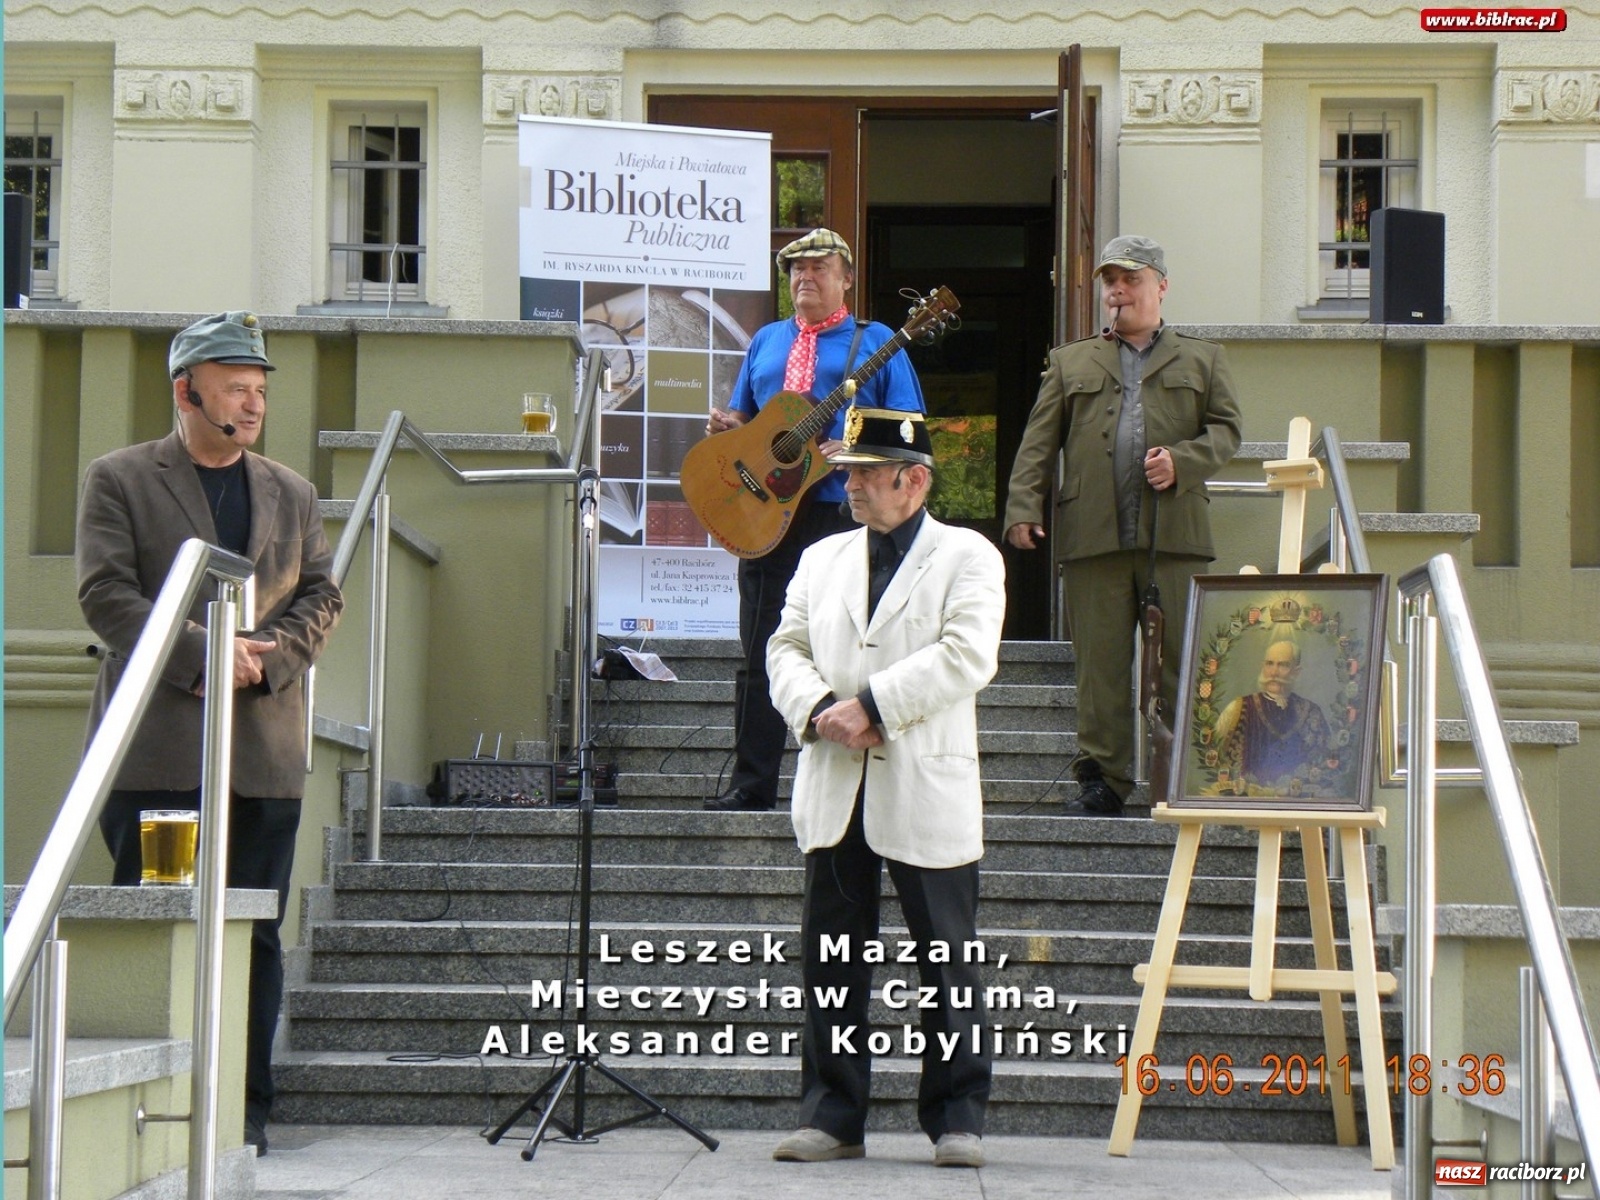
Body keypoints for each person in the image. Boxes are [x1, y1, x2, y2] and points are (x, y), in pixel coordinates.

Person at [77, 311, 344, 1155]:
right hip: (158, 753)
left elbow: (322, 594)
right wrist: (203, 654)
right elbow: (105, 596)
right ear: (185, 390)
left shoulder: (292, 491)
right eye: (236, 387)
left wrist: (268, 659)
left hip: (263, 754)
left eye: (261, 389)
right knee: (161, 929)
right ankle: (148, 1113)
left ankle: (243, 1115)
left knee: (254, 938)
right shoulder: (118, 478)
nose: (253, 402)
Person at [765, 407, 1006, 1168]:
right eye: (849, 471)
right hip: (836, 783)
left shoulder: (968, 555)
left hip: (922, 784)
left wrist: (873, 707)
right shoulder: (821, 556)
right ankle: (833, 1116)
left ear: (916, 479)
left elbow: (967, 655)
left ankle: (958, 1116)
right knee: (832, 958)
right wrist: (816, 710)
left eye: (867, 472)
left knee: (949, 959)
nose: (852, 485)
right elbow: (786, 645)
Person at [1004, 235, 1242, 816]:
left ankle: (1189, 774)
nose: (1117, 289)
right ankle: (1104, 780)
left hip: (1176, 535)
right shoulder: (1071, 360)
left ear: (1160, 286)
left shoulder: (1202, 358)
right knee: (1101, 665)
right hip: (1093, 535)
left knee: (1185, 659)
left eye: (1131, 278)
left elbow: (1227, 431)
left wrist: (1183, 462)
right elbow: (1039, 444)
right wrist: (1023, 507)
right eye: (1110, 279)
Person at [703, 228, 925, 811]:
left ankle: (849, 780)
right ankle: (752, 785)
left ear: (846, 278)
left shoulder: (876, 341)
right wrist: (731, 432)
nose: (805, 276)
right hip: (766, 515)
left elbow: (908, 425)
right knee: (760, 649)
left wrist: (851, 446)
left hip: (841, 512)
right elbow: (752, 426)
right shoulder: (767, 340)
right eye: (796, 268)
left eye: (819, 267)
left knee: (845, 645)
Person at [1215, 635, 1332, 793]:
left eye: (1283, 665)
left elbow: (1325, 765)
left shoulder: (1313, 713)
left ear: (1296, 672)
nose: (1274, 672)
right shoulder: (1237, 708)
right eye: (1269, 664)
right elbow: (1216, 754)